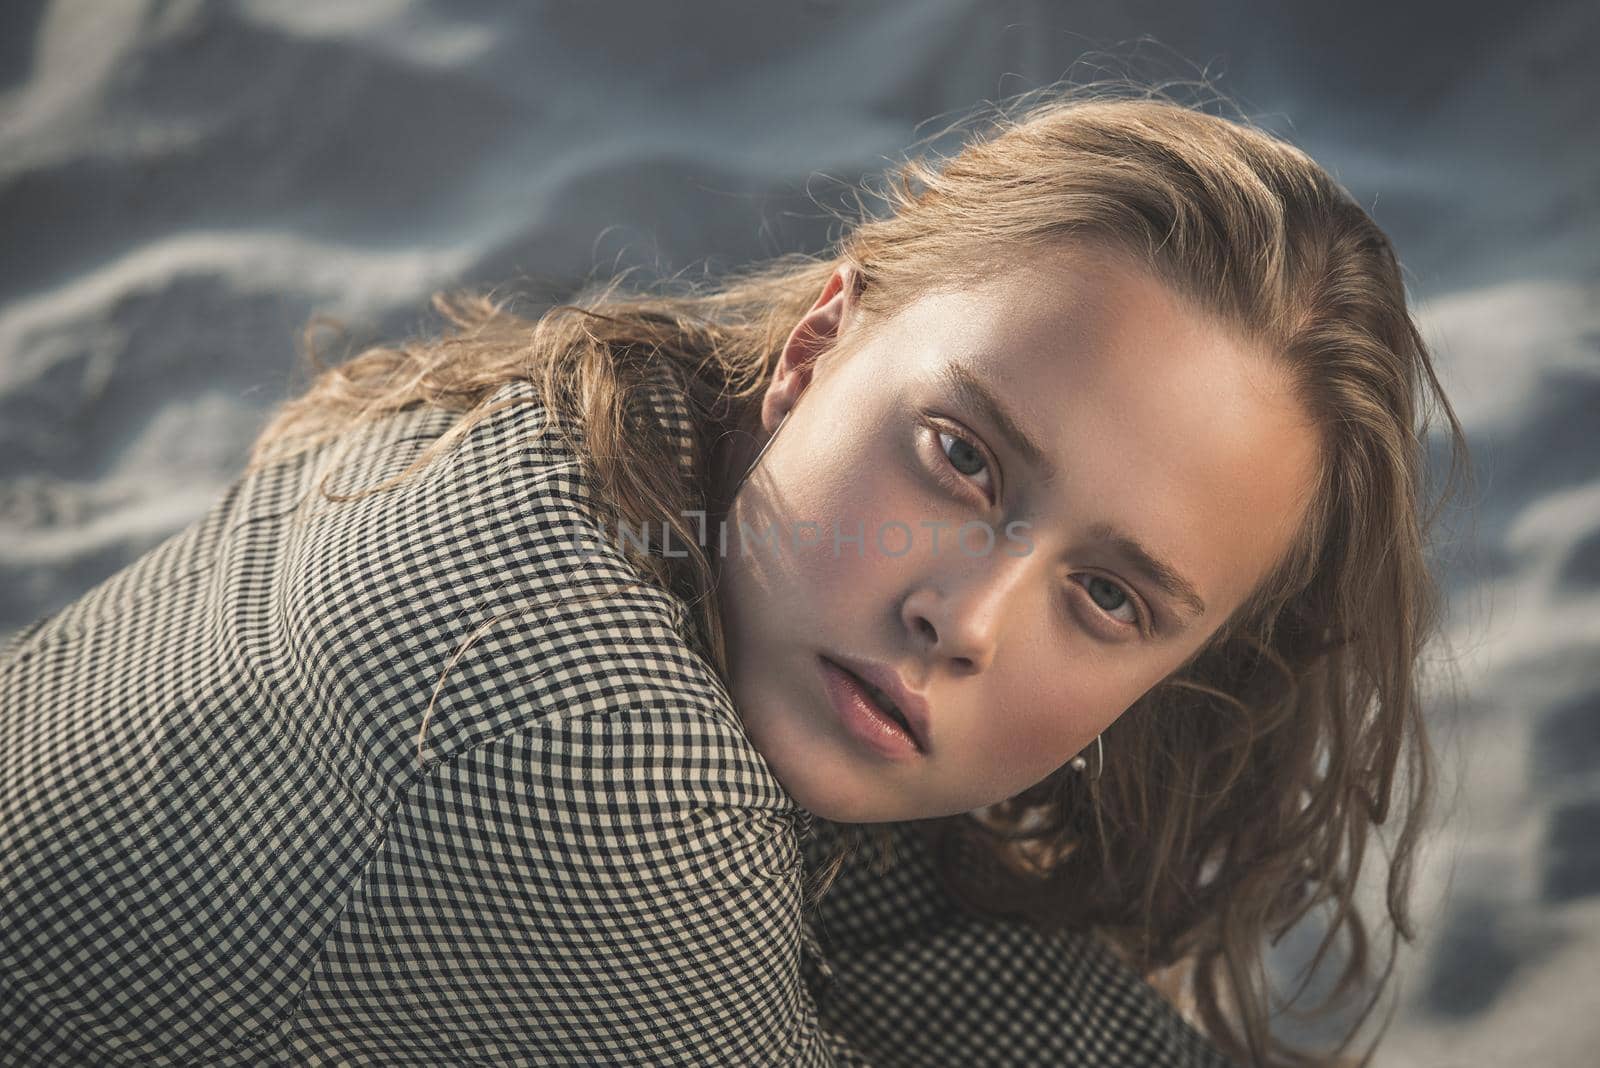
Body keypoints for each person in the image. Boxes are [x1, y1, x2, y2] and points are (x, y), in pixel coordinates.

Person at [0, 85, 1470, 1067]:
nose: (958, 618)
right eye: (962, 458)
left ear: (1175, 672)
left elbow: (913, 946)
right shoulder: (600, 764)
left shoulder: (575, 425)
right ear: (821, 345)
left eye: (1110, 598)